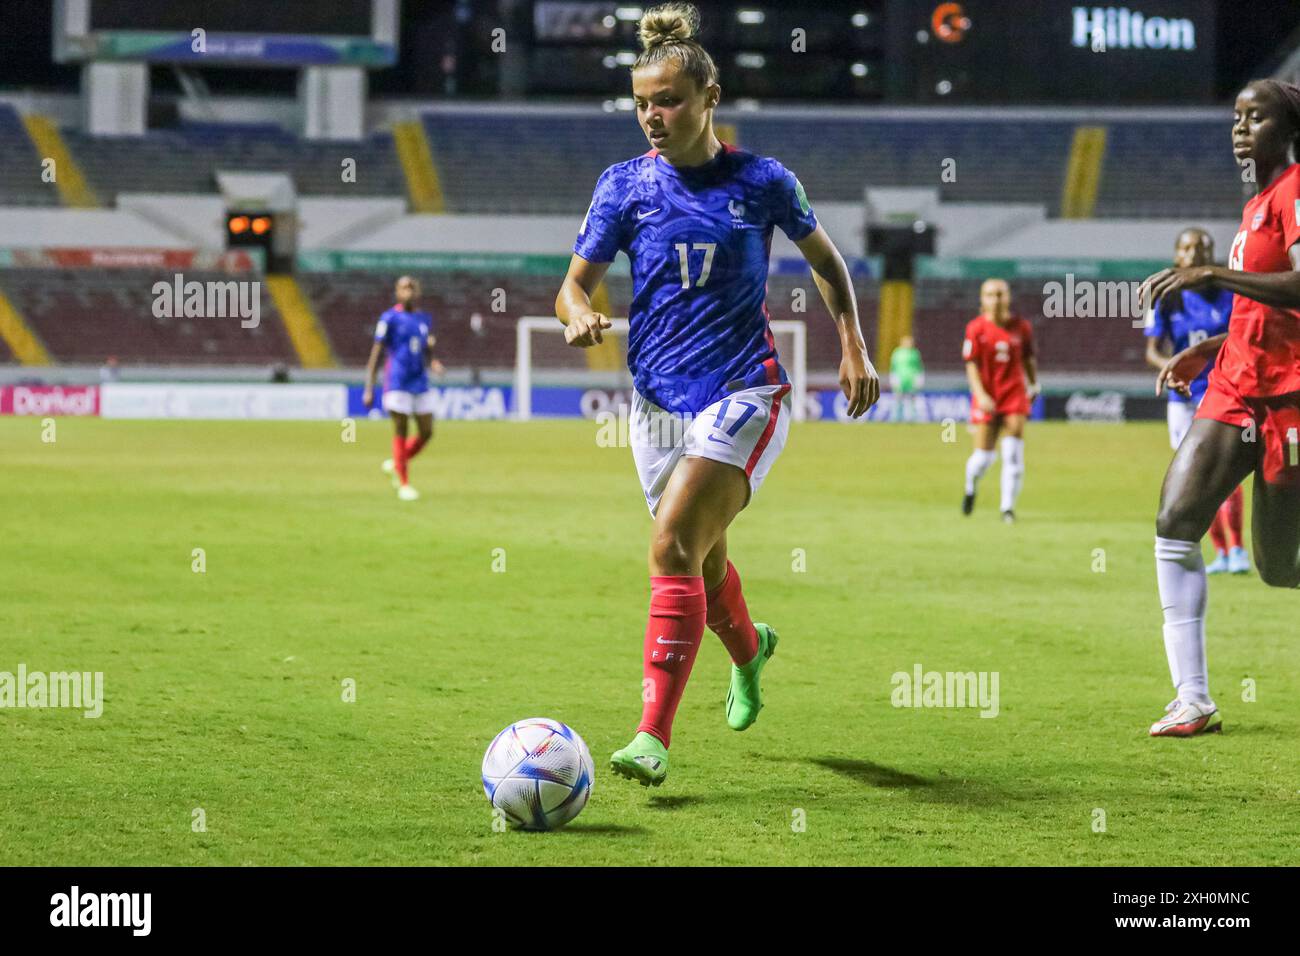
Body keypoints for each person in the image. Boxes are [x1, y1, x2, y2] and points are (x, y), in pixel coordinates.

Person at [554, 2, 878, 787]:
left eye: (666, 101)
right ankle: (750, 649)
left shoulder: (764, 182)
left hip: (744, 391)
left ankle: (651, 737)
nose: (652, 118)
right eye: (641, 103)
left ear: (708, 97)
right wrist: (578, 315)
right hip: (657, 403)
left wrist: (853, 347)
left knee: (669, 544)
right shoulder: (623, 186)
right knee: (698, 562)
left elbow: (829, 265)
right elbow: (570, 286)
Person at [1141, 79, 1300, 737]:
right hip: (1235, 386)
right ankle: (1194, 699)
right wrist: (1210, 345)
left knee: (1278, 566)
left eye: (1255, 116)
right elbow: (1261, 307)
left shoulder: (1295, 191)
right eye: (1236, 116)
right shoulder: (1257, 200)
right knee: (1175, 520)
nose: (1241, 127)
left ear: (1286, 128)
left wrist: (1214, 276)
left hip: (1291, 397)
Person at [1143, 228, 1246, 574]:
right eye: (1187, 247)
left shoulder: (1231, 292)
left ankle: (1239, 549)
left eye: (1202, 246)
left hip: (1222, 390)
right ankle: (1222, 551)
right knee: (1196, 474)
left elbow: (1243, 337)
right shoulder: (1166, 299)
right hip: (1181, 396)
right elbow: (1153, 352)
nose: (1195, 253)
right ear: (1176, 256)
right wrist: (1171, 368)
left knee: (1223, 469)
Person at [960, 278, 1039, 522]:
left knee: (1013, 453)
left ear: (1008, 298)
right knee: (983, 459)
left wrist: (1033, 383)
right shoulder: (975, 328)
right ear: (982, 300)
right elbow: (971, 365)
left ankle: (1007, 508)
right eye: (990, 295)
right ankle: (970, 485)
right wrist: (981, 395)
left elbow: (1028, 358)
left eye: (1000, 294)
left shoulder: (1022, 327)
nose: (996, 300)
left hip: (1013, 394)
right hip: (987, 396)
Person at [362, 276, 444, 501]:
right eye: (403, 287)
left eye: (411, 287)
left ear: (417, 292)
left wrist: (434, 362)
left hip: (420, 381)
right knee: (401, 429)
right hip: (397, 381)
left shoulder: (424, 319)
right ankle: (404, 484)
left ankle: (397, 462)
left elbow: (427, 350)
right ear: (397, 292)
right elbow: (376, 352)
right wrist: (369, 387)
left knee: (427, 432)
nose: (408, 291)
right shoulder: (389, 318)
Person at [889, 335, 925, 421]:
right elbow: (893, 367)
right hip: (900, 380)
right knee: (898, 400)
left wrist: (919, 378)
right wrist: (893, 378)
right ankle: (896, 418)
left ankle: (911, 418)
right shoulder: (897, 353)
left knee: (911, 400)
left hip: (911, 380)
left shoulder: (915, 353)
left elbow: (919, 367)